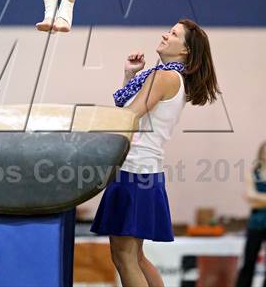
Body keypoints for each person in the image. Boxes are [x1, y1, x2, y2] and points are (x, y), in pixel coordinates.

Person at [91, 18, 221, 287]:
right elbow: (129, 110)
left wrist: (88, 130)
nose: (165, 35)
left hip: (134, 171)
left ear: (185, 50)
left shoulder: (163, 76)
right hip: (144, 171)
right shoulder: (170, 77)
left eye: (173, 34)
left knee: (124, 256)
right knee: (136, 257)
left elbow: (128, 116)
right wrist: (129, 75)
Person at [235, 140, 266, 287]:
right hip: (256, 223)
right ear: (260, 154)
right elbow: (250, 198)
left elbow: (253, 197)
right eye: (265, 151)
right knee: (249, 260)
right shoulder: (252, 173)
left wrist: (256, 198)